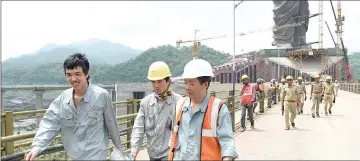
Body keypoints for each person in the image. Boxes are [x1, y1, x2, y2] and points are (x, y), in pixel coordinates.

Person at [26, 53, 125, 160]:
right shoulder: (63, 99)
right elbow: (49, 123)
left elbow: (111, 124)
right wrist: (37, 147)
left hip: (96, 156)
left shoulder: (101, 95)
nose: (73, 79)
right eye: (69, 74)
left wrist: (120, 151)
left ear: (86, 74)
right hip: (74, 157)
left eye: (77, 74)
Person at [168, 58, 238, 160]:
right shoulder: (179, 106)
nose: (187, 87)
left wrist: (227, 158)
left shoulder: (218, 109)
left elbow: (227, 141)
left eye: (192, 84)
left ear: (205, 84)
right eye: (185, 82)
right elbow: (174, 138)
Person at [130, 61, 181, 161]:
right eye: (153, 82)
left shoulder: (179, 102)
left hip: (171, 154)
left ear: (168, 81)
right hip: (152, 154)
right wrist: (134, 151)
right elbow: (138, 128)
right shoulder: (145, 103)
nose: (156, 85)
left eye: (159, 81)